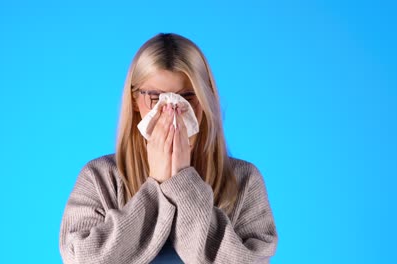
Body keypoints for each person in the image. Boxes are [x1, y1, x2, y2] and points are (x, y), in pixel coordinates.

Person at [59, 33, 278, 264]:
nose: (172, 110)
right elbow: (80, 259)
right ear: (135, 100)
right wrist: (156, 186)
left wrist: (183, 183)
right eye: (156, 98)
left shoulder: (244, 181)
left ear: (204, 98)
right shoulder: (98, 178)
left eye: (187, 97)